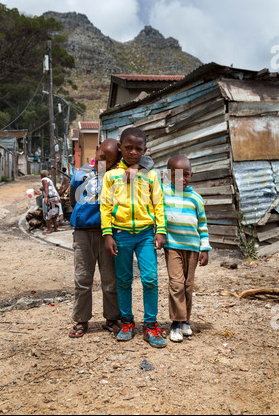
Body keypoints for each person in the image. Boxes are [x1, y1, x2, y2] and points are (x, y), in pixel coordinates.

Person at [68, 138, 154, 338]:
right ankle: (81, 320)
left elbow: (148, 160)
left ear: (117, 161)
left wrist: (135, 165)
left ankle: (112, 318)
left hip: (109, 234)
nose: (103, 163)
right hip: (83, 233)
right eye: (101, 157)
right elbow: (74, 199)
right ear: (96, 149)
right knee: (82, 278)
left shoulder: (117, 174)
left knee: (110, 280)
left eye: (110, 161)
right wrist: (82, 217)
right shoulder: (81, 173)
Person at [100, 127, 167, 348]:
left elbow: (159, 204)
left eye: (138, 149)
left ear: (144, 150)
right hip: (121, 234)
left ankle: (150, 325)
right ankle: (127, 322)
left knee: (150, 279)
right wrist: (107, 234)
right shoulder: (110, 176)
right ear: (120, 148)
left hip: (146, 234)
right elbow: (106, 206)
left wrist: (161, 230)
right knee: (124, 280)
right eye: (128, 148)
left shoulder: (151, 175)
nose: (133, 152)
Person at [163, 155, 212, 342]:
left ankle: (185, 321)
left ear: (191, 174)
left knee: (188, 286)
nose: (182, 179)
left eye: (186, 175)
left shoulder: (196, 198)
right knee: (176, 284)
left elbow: (202, 225)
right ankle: (175, 323)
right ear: (169, 176)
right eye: (177, 175)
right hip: (173, 246)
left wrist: (205, 248)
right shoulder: (164, 193)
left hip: (192, 248)